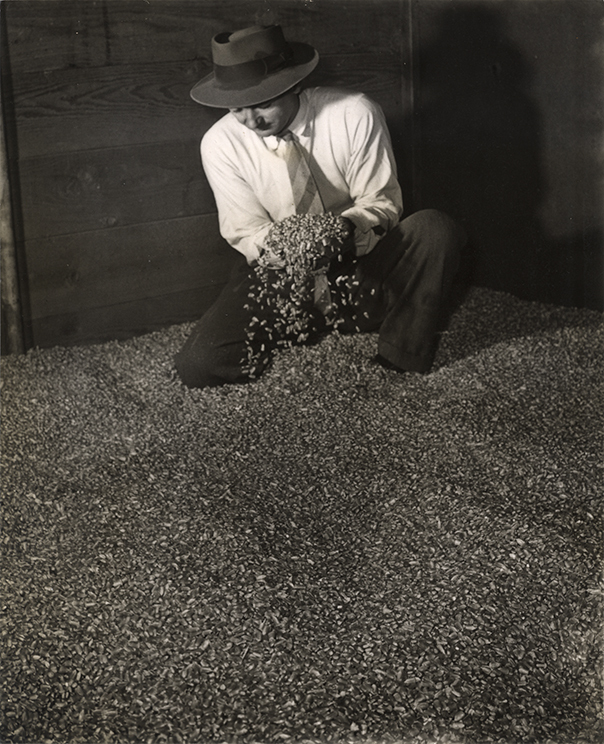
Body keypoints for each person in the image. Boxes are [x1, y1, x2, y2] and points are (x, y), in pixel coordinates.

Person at [175, 24, 465, 389]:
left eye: (263, 104)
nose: (251, 122)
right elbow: (246, 231)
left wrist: (342, 230)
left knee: (434, 228)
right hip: (282, 275)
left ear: (293, 85)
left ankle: (399, 352)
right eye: (236, 109)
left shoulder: (353, 112)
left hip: (361, 266)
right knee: (198, 366)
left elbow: (383, 202)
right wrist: (291, 248)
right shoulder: (219, 144)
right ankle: (307, 320)